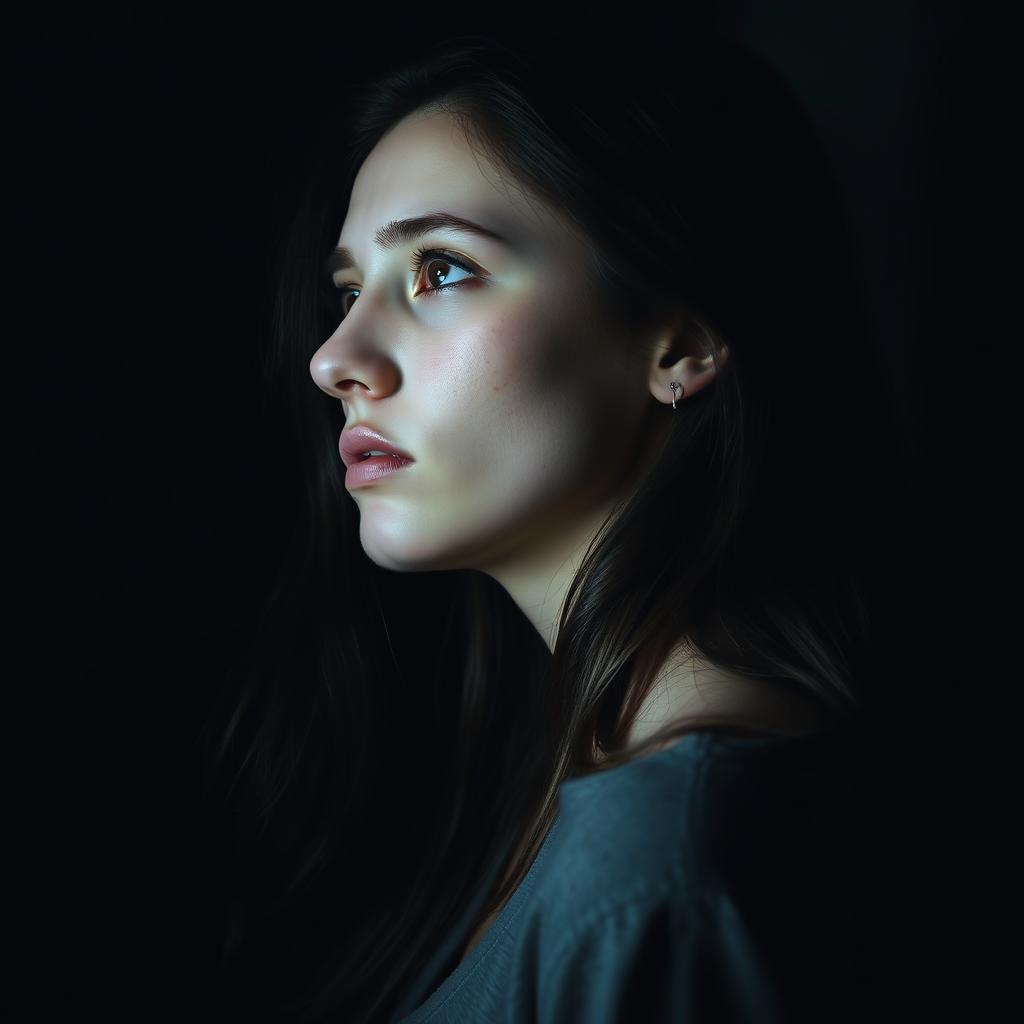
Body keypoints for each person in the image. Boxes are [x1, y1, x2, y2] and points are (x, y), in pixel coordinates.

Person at [201, 23, 912, 1023]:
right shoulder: (559, 795)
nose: (334, 359)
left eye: (440, 269)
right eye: (349, 289)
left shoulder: (663, 871)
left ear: (681, 340)